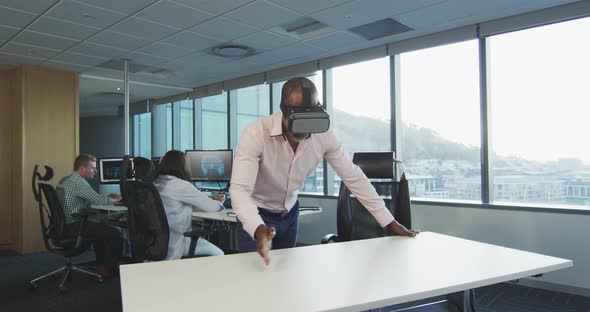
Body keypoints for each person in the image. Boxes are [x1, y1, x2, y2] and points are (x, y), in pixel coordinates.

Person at [230, 77, 417, 265]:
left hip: (290, 214)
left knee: (283, 276)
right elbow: (240, 189)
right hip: (256, 213)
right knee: (255, 279)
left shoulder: (323, 134)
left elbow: (353, 177)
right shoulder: (256, 134)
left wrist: (389, 222)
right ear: (284, 110)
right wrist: (256, 227)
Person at [56, 154, 123, 277]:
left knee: (101, 228)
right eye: (92, 168)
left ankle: (102, 266)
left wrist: (107, 198)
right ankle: (110, 269)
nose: (96, 171)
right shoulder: (79, 183)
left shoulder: (66, 180)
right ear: (82, 169)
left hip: (64, 225)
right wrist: (118, 199)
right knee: (114, 233)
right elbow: (100, 201)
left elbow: (92, 199)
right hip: (74, 226)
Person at [153, 150, 225, 260]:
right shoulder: (181, 185)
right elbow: (213, 207)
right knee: (219, 254)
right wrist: (220, 202)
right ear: (183, 165)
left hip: (156, 243)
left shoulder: (155, 183)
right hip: (176, 243)